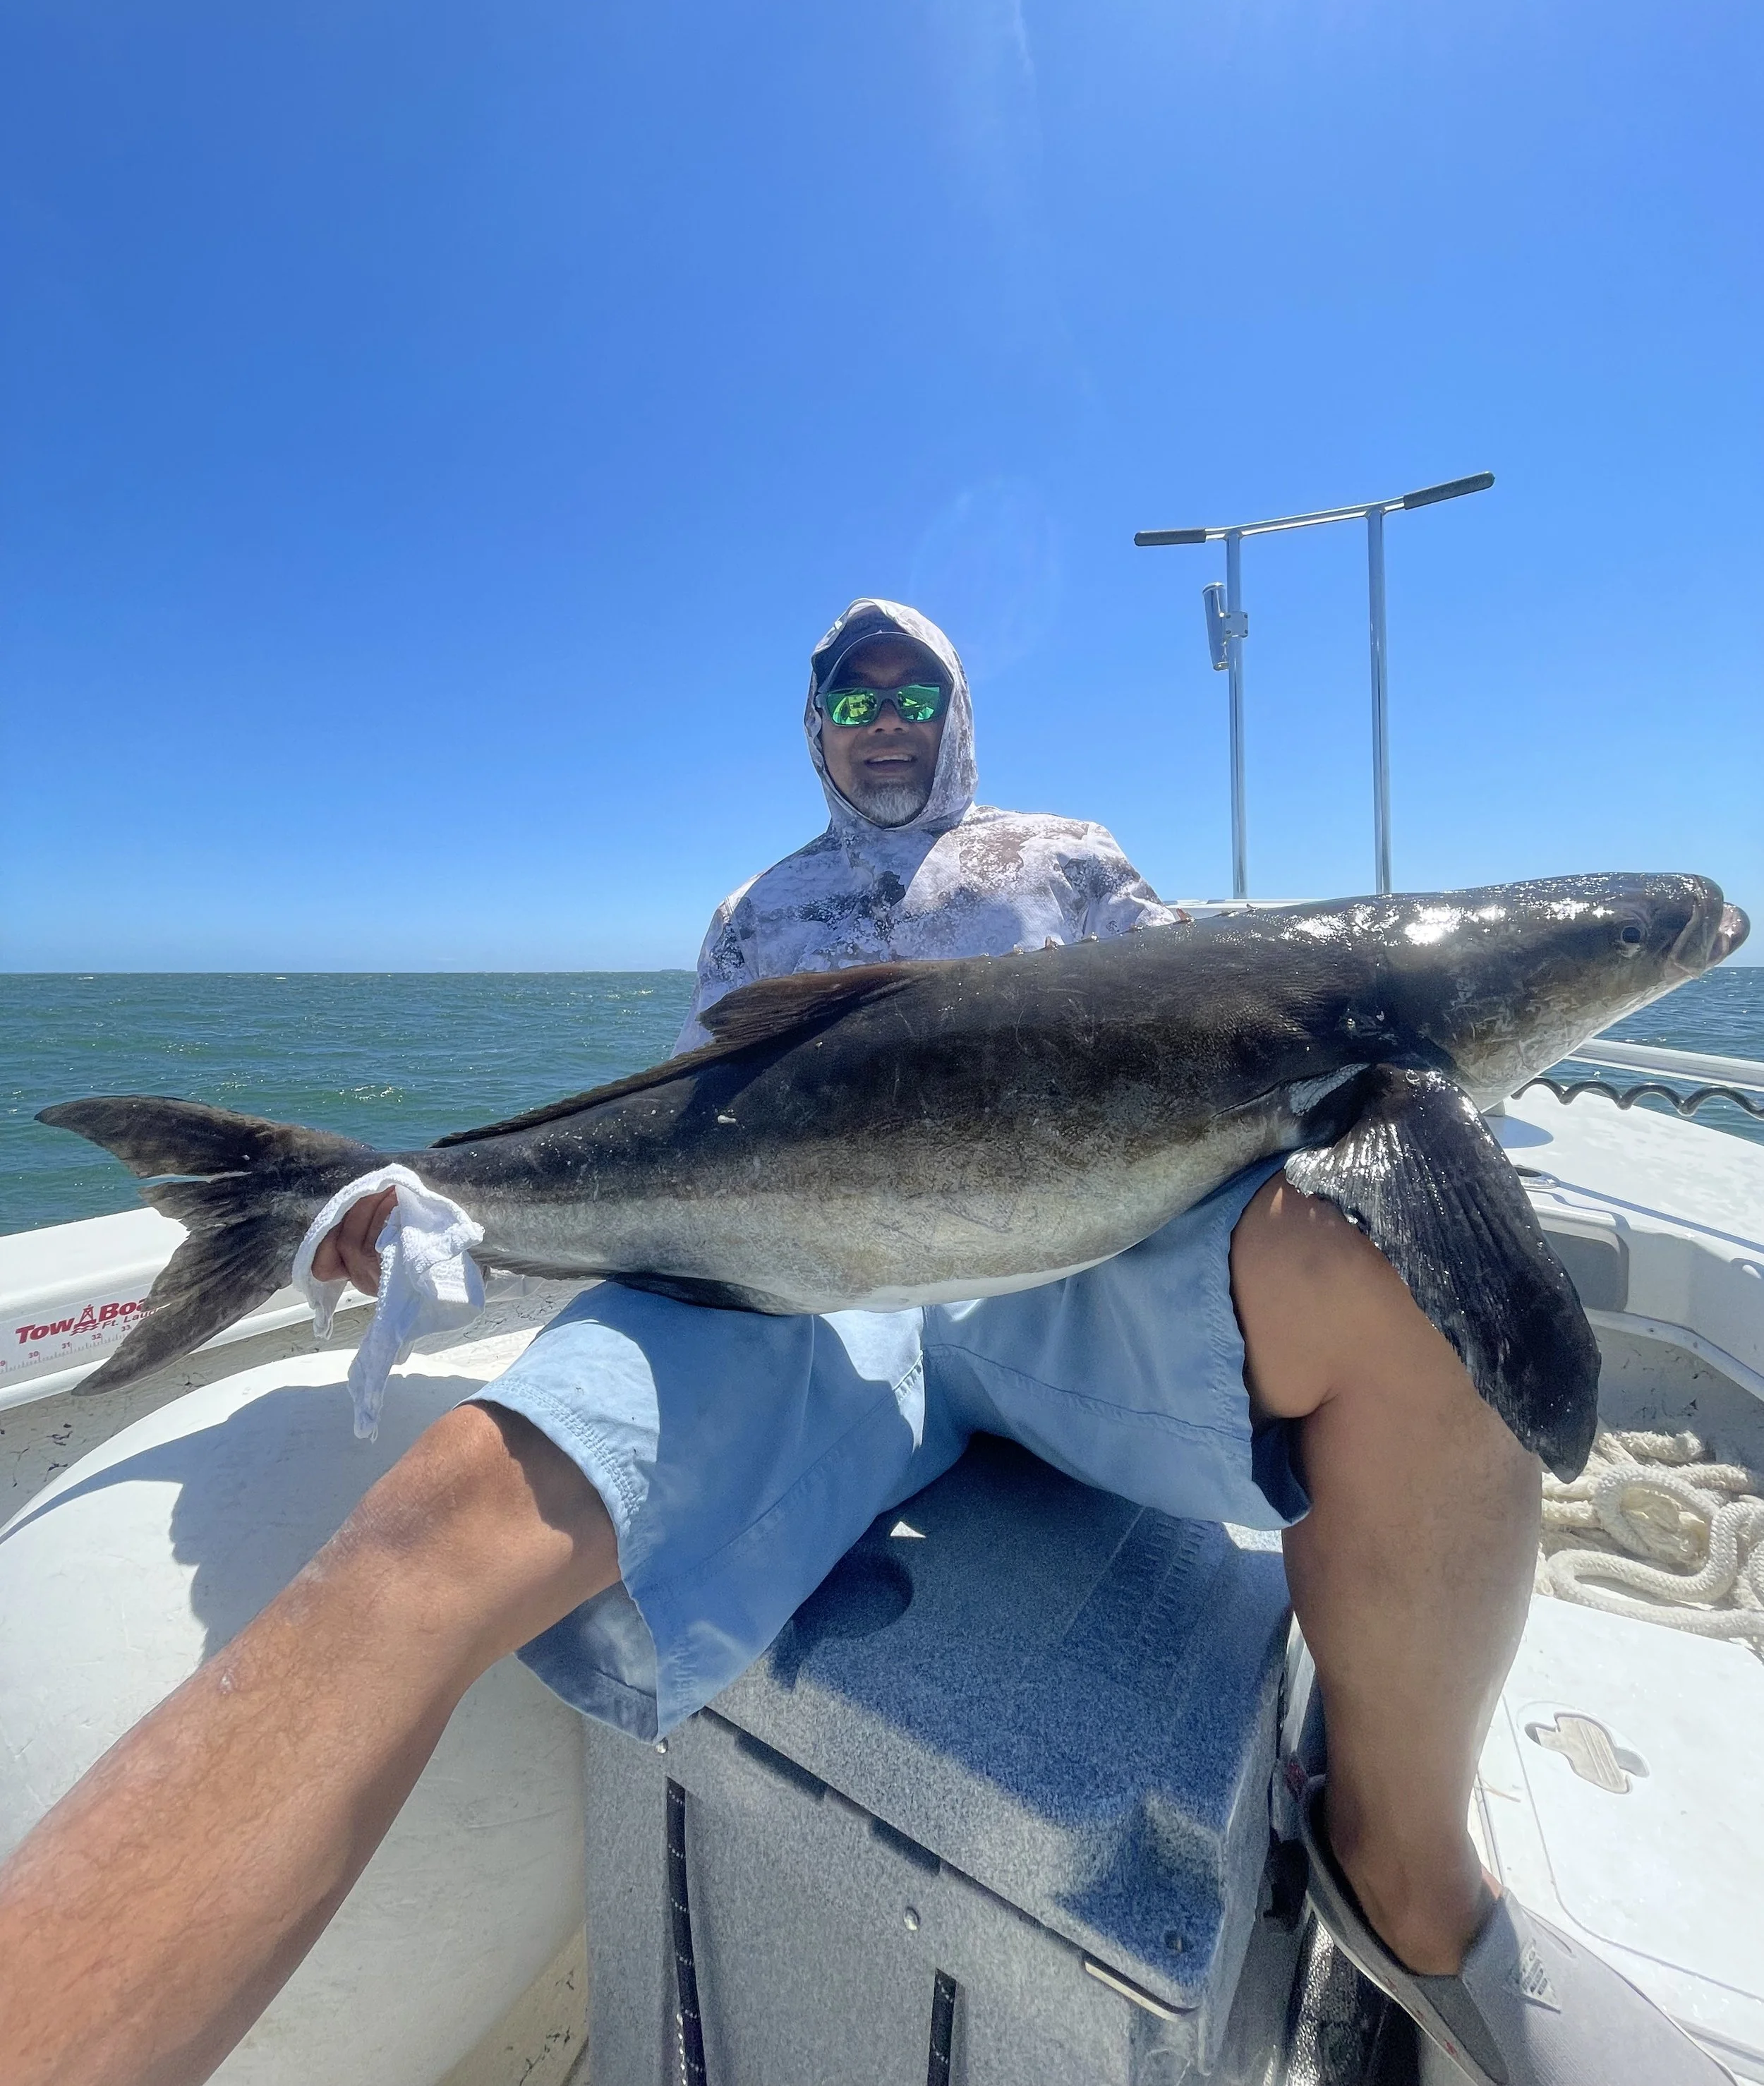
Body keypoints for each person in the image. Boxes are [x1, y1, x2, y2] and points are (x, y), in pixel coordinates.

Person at [0, 599, 1727, 2086]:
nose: (885, 723)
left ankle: (1400, 1881)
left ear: (956, 715)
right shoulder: (755, 918)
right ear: (815, 728)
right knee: (435, 1522)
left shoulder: (1064, 861)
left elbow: (1222, 1045)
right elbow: (694, 1153)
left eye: (914, 694)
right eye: (852, 698)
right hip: (807, 1302)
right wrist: (444, 1225)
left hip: (1074, 1276)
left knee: (1411, 1277)